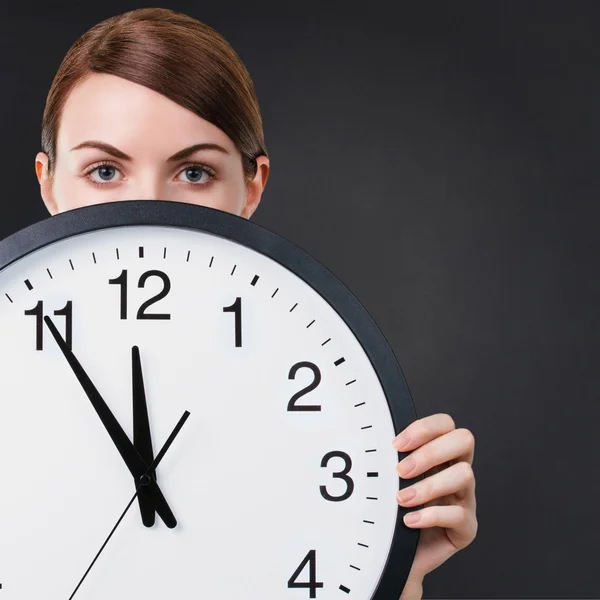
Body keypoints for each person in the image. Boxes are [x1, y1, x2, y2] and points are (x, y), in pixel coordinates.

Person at [34, 8, 478, 599]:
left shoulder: (332, 398)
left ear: (251, 188)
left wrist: (393, 571)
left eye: (193, 172)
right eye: (105, 170)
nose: (147, 209)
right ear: (49, 184)